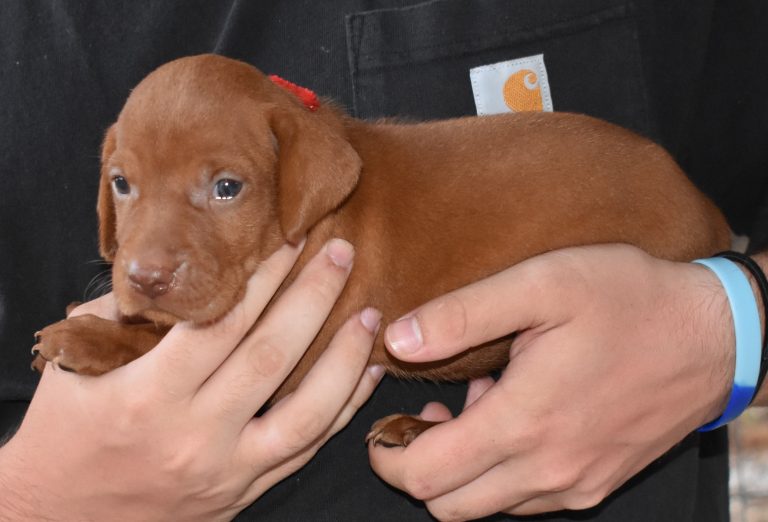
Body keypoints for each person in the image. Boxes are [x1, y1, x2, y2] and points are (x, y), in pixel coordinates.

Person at [1, 1, 766, 520]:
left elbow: (292, 353)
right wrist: (33, 498)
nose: (142, 259)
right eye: (125, 184)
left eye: (224, 187)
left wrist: (732, 327)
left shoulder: (326, 200)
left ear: (300, 180)